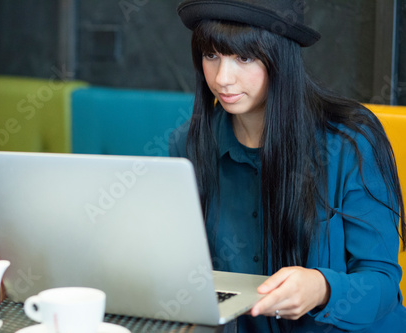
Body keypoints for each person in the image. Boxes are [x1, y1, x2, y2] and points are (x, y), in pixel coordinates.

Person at [170, 0, 406, 331]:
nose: (223, 78)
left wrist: (322, 288)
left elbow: (382, 285)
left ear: (280, 57)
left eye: (244, 57)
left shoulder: (350, 140)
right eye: (211, 55)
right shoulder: (189, 144)